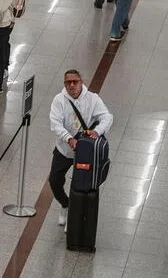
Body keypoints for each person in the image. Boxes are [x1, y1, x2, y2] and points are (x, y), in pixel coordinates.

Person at [48, 69, 113, 228]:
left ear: (81, 82)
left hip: (84, 152)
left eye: (75, 81)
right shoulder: (59, 100)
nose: (72, 85)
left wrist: (97, 132)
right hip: (64, 150)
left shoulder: (92, 99)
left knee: (79, 184)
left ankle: (73, 217)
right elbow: (55, 123)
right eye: (68, 82)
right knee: (54, 181)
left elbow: (107, 117)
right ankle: (65, 204)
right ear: (65, 84)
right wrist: (68, 138)